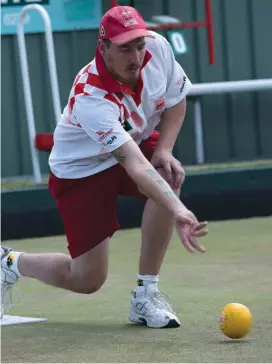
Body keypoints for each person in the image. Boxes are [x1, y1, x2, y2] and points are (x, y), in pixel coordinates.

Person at [1, 5, 209, 328]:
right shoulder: (91, 96)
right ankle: (10, 263)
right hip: (82, 170)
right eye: (124, 48)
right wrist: (179, 210)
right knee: (87, 278)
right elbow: (136, 166)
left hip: (132, 142)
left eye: (138, 46)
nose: (136, 57)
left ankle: (146, 295)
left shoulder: (158, 48)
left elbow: (176, 99)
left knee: (167, 171)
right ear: (103, 49)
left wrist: (165, 149)